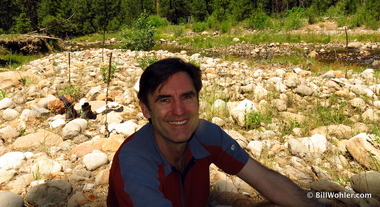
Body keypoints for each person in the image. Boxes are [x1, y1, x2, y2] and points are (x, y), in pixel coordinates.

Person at [107, 58, 323, 207]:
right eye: (165, 100)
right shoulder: (134, 163)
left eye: (187, 97)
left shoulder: (205, 134)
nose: (179, 110)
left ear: (198, 101)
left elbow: (270, 183)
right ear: (145, 109)